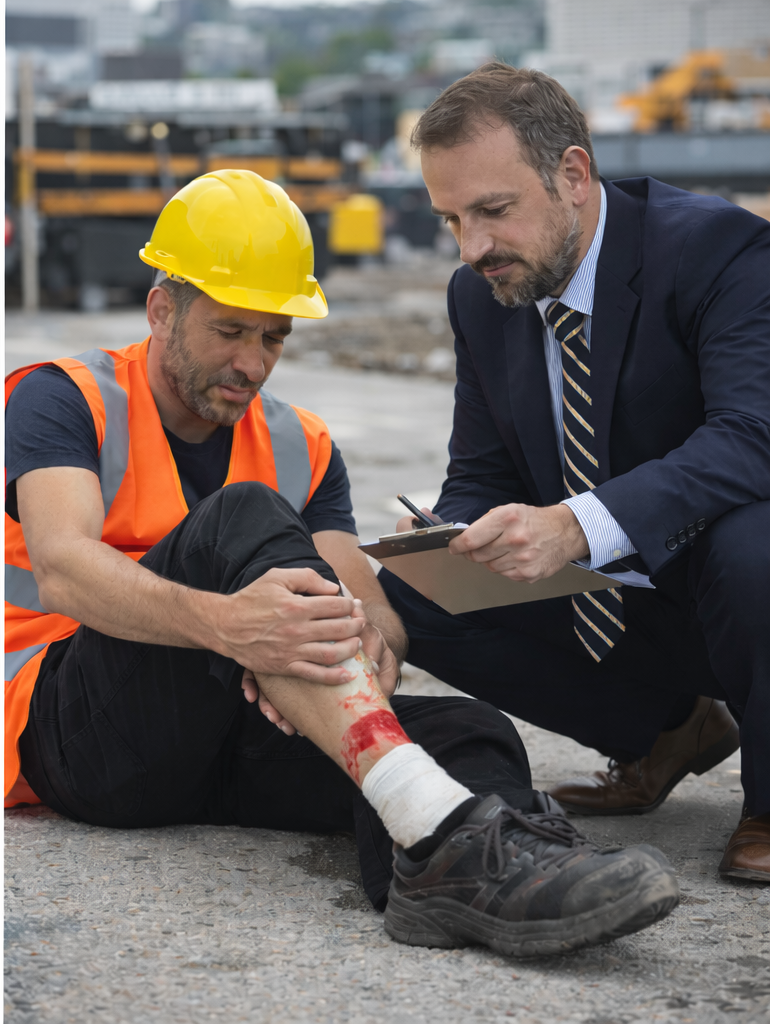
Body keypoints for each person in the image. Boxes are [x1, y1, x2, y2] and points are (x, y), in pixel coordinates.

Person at [4, 169, 679, 957]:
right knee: (243, 519)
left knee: (472, 730)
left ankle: (466, 879)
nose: (253, 363)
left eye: (274, 336)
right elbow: (62, 568)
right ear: (162, 310)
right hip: (68, 735)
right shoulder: (62, 400)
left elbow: (366, 602)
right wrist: (233, 630)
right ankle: (435, 821)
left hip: (225, 738)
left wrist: (372, 648)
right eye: (230, 330)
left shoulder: (304, 445)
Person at [378, 63, 770, 885]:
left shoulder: (716, 249)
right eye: (451, 219)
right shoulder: (478, 295)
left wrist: (575, 524)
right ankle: (671, 731)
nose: (472, 247)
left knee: (752, 542)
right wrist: (453, 534)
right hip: (622, 598)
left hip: (728, 580)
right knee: (418, 586)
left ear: (573, 175)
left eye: (492, 210)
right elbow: (481, 470)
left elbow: (752, 436)